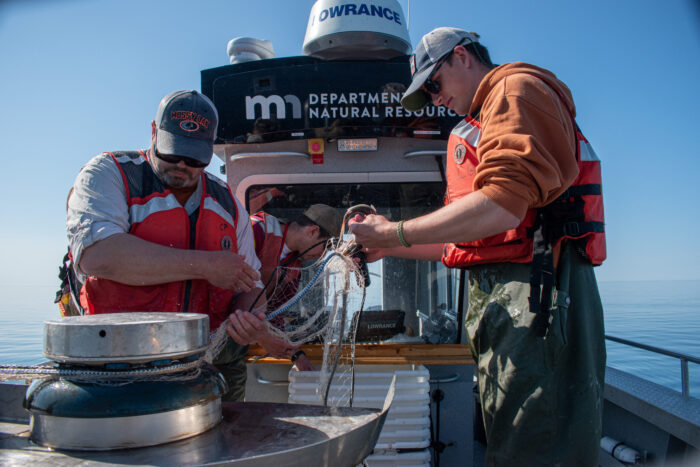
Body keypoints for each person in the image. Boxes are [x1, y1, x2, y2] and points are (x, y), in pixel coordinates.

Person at [349, 27, 606, 466]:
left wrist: (393, 233)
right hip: (508, 307)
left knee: (533, 448)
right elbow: (466, 240)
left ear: (462, 56)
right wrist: (389, 247)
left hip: (538, 302)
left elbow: (504, 206)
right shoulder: (479, 121)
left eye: (433, 83)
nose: (434, 98)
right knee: (510, 441)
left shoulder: (514, 90)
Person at [66, 90, 294, 402]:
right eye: (172, 153)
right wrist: (205, 265)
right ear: (153, 132)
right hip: (118, 365)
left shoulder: (226, 201)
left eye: (195, 158)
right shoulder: (109, 173)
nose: (182, 166)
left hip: (207, 365)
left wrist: (250, 317)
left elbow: (251, 282)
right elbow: (97, 255)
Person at [250, 204, 343, 370]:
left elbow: (276, 315)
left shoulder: (295, 267)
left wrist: (297, 356)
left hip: (237, 346)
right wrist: (262, 337)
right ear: (312, 231)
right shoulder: (255, 230)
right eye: (326, 246)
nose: (323, 255)